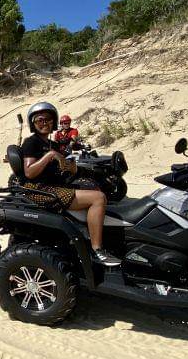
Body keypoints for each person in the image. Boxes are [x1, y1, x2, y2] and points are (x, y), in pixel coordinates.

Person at [19, 102, 120, 266]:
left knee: (96, 188)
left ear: (54, 122)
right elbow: (29, 171)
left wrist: (71, 166)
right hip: (40, 189)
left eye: (49, 120)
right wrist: (50, 156)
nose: (45, 123)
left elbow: (67, 165)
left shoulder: (53, 144)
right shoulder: (31, 142)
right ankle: (97, 250)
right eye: (40, 120)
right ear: (33, 123)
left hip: (56, 186)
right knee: (98, 198)